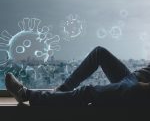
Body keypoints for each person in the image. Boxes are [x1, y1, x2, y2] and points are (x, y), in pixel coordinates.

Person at [5, 46, 150, 107]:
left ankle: (27, 95)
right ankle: (61, 90)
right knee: (99, 53)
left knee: (87, 92)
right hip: (136, 78)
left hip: (141, 89)